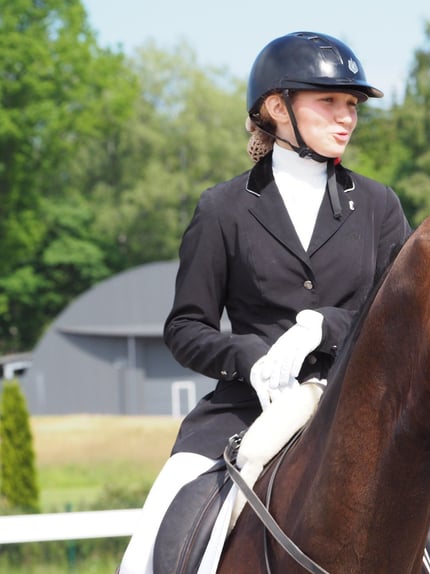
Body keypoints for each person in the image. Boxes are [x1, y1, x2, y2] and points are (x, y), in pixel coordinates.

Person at [118, 31, 411, 573]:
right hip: (245, 410)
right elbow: (186, 327)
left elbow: (400, 317)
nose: (346, 116)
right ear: (278, 108)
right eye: (328, 102)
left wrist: (323, 328)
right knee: (159, 526)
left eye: (351, 105)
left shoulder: (377, 205)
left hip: (357, 404)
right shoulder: (223, 209)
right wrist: (250, 358)